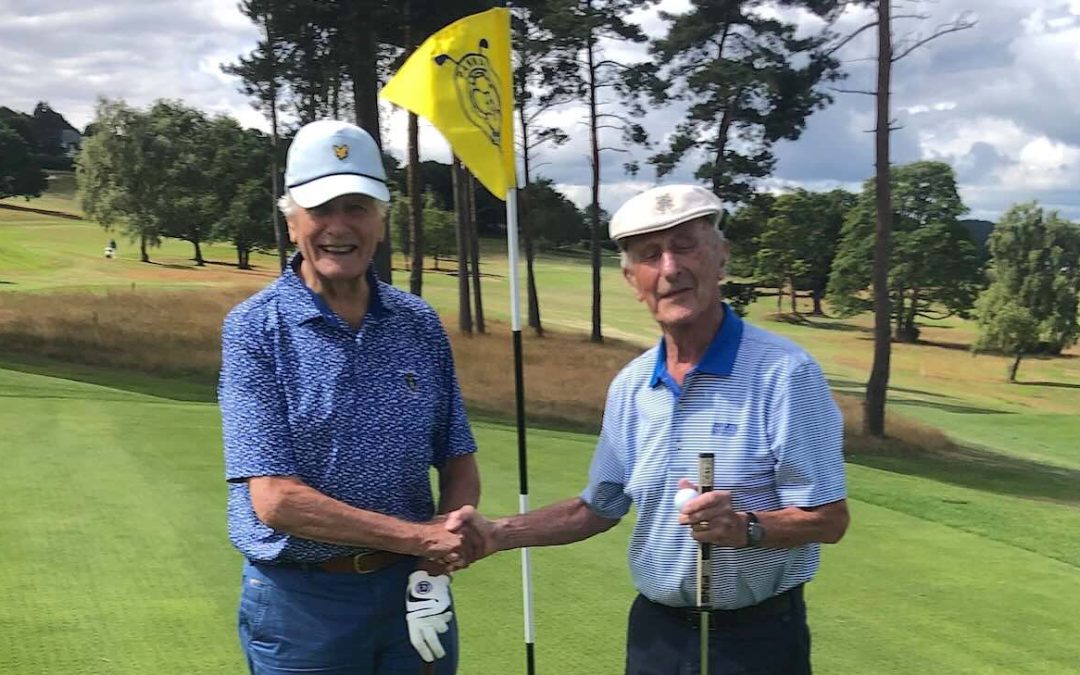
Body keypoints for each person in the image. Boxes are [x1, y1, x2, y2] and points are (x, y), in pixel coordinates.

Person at [449, 184, 849, 674]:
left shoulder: (785, 373)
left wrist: (745, 527)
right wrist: (498, 533)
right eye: (649, 255)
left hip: (758, 640)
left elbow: (829, 519)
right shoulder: (632, 387)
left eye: (685, 246)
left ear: (720, 257)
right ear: (632, 280)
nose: (669, 269)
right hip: (657, 638)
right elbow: (598, 507)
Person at [218, 119, 480, 675]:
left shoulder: (418, 323)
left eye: (357, 207)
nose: (340, 226)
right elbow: (276, 500)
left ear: (381, 222)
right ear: (291, 223)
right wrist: (420, 537)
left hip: (413, 590)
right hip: (302, 608)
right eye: (321, 209)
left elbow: (457, 454)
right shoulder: (254, 329)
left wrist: (443, 546)